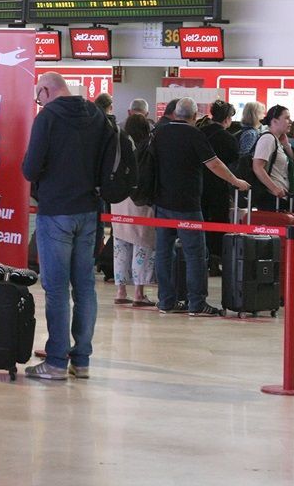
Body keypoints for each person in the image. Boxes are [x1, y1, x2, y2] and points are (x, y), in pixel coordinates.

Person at [21, 72, 107, 379]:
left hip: (56, 210)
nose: (39, 102)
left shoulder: (48, 118)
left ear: (45, 90)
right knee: (85, 287)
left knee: (56, 289)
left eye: (38, 96)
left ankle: (56, 361)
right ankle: (81, 360)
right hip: (89, 211)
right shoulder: (97, 115)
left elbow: (31, 168)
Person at [153, 97, 250, 317]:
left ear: (176, 113)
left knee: (164, 253)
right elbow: (214, 163)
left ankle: (166, 301)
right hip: (187, 203)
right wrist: (236, 181)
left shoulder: (160, 132)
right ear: (195, 116)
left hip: (161, 202)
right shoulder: (194, 134)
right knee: (196, 253)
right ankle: (197, 303)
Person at [110, 113, 155, 307]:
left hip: (119, 200)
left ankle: (121, 290)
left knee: (120, 246)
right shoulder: (148, 148)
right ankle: (139, 292)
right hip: (140, 203)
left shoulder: (120, 145)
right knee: (142, 246)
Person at [199, 99, 239, 273]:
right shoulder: (228, 138)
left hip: (199, 184)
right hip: (219, 186)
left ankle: (202, 256)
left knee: (200, 223)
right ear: (227, 118)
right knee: (218, 223)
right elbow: (233, 159)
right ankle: (215, 260)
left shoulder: (200, 132)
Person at [252, 105, 294, 209]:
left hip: (279, 197)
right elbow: (257, 167)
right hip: (271, 198)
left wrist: (286, 145)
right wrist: (275, 188)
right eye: (287, 118)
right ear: (274, 121)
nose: (290, 121)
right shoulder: (267, 139)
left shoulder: (277, 140)